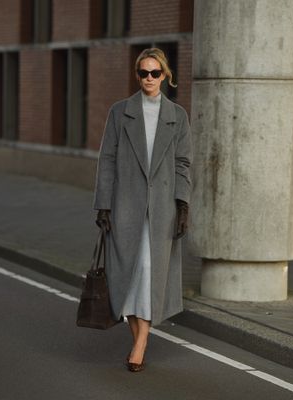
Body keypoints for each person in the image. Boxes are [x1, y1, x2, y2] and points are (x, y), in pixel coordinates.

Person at [93, 48, 192, 372]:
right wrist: (103, 204)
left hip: (162, 210)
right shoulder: (120, 112)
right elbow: (107, 159)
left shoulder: (177, 116)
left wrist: (182, 204)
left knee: (151, 274)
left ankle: (140, 343)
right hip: (125, 206)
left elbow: (182, 163)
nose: (149, 79)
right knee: (129, 276)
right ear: (137, 75)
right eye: (143, 73)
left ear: (165, 75)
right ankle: (139, 339)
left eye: (155, 73)